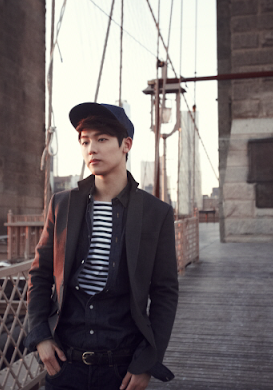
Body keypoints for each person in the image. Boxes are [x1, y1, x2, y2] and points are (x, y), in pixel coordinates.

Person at [25, 102, 179, 390]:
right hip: (64, 363)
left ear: (126, 145)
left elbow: (165, 292)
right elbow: (40, 273)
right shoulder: (62, 204)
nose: (91, 149)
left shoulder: (156, 213)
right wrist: (40, 335)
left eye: (102, 139)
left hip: (121, 368)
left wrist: (148, 361)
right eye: (85, 142)